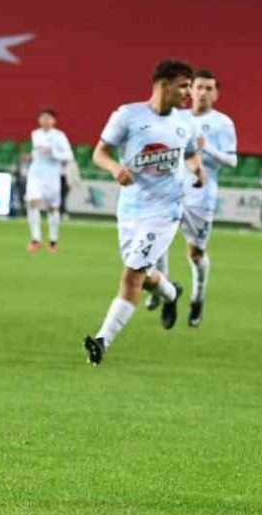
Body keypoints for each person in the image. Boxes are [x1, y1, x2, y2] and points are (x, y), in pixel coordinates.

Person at [83, 59, 204, 365]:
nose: (188, 93)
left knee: (132, 275)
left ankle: (102, 341)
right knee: (144, 275)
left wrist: (197, 170)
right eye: (183, 86)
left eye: (190, 86)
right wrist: (115, 168)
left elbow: (191, 155)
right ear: (163, 84)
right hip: (131, 208)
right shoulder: (128, 115)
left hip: (165, 210)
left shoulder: (185, 123)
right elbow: (99, 153)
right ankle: (171, 293)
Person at [180, 69, 236, 327]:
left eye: (208, 88)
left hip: (201, 196)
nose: (203, 92)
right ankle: (164, 290)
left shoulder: (222, 123)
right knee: (154, 239)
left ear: (216, 94)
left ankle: (197, 297)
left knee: (195, 254)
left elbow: (232, 160)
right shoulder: (177, 118)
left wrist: (207, 148)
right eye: (199, 87)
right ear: (190, 91)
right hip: (171, 191)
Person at [22, 108, 74, 252]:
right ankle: (36, 239)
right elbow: (36, 153)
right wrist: (30, 156)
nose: (45, 120)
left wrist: (54, 152)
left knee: (52, 208)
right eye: (42, 118)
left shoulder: (59, 136)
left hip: (52, 175)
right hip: (35, 173)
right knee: (33, 202)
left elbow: (69, 156)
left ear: (53, 121)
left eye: (48, 118)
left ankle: (53, 240)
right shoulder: (35, 134)